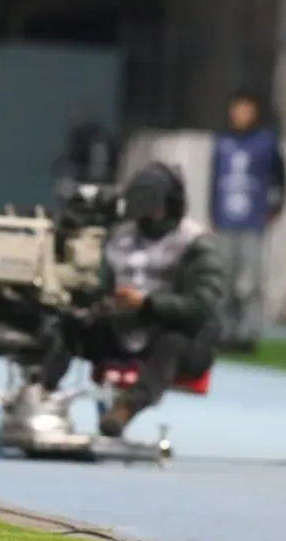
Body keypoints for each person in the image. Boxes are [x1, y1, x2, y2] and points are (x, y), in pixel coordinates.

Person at [39, 162, 226, 437]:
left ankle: (127, 407)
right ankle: (40, 393)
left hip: (180, 335)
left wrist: (147, 303)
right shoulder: (119, 237)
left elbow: (202, 307)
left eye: (155, 208)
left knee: (171, 344)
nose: (149, 216)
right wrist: (87, 301)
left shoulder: (196, 244)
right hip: (124, 326)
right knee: (70, 326)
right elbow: (98, 285)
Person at [209, 91, 286, 352]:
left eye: (245, 109)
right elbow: (214, 180)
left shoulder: (265, 143)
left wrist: (274, 208)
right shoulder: (223, 142)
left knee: (251, 281)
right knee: (224, 280)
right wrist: (213, 212)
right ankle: (224, 330)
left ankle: (249, 333)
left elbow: (281, 177)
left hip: (253, 220)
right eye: (236, 109)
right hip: (226, 219)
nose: (239, 115)